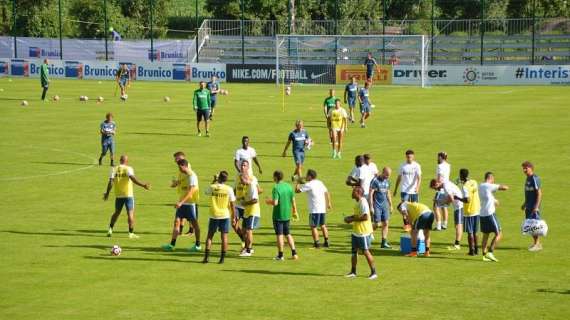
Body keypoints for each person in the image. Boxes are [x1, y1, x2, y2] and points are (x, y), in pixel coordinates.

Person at [103, 155, 151, 238]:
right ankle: (131, 233)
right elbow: (133, 178)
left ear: (120, 160)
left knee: (116, 213)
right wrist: (143, 185)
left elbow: (111, 182)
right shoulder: (128, 168)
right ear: (126, 161)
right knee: (130, 214)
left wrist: (107, 193)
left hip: (118, 195)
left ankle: (110, 229)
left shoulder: (114, 168)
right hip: (128, 195)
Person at [161, 159, 201, 252]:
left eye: (179, 167)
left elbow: (190, 192)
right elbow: (179, 183)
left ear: (184, 166)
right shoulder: (182, 174)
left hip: (190, 204)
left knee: (195, 224)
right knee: (176, 222)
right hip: (182, 203)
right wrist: (174, 184)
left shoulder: (192, 176)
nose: (179, 169)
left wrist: (181, 203)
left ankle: (198, 245)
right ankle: (172, 244)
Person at [344, 186, 377, 280]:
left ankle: (374, 272)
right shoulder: (358, 202)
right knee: (354, 252)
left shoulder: (363, 202)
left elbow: (365, 217)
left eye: (353, 191)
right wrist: (349, 218)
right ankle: (353, 272)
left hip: (363, 232)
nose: (352, 192)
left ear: (358, 193)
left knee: (366, 251)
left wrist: (352, 219)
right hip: (356, 231)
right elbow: (357, 215)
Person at [203, 171, 236, 264]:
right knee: (224, 237)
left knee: (210, 236)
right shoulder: (229, 189)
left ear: (219, 178)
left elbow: (206, 192)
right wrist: (234, 217)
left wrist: (214, 180)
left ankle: (206, 258)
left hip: (214, 215)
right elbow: (232, 204)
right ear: (226, 179)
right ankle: (222, 259)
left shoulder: (212, 187)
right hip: (225, 215)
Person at [265, 170, 299, 261]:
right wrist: (295, 211)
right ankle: (294, 253)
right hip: (287, 214)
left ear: (276, 177)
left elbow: (275, 202)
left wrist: (268, 201)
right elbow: (293, 200)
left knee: (279, 235)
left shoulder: (276, 188)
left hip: (278, 215)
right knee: (288, 234)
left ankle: (280, 255)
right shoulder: (288, 186)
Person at [295, 169, 331, 249]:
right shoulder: (320, 182)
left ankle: (316, 244)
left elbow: (297, 191)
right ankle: (326, 242)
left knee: (313, 226)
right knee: (323, 225)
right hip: (322, 208)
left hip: (314, 209)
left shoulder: (309, 184)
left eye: (307, 175)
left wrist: (297, 182)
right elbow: (326, 192)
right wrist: (329, 203)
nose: (306, 176)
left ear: (310, 176)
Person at [429, 178, 466, 251]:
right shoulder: (445, 184)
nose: (436, 190)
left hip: (459, 206)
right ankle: (457, 243)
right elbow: (449, 198)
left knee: (459, 225)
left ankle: (457, 244)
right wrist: (442, 201)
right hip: (457, 206)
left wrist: (441, 202)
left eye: (435, 188)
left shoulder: (445, 186)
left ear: (437, 184)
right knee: (457, 225)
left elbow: (451, 199)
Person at [479, 172, 509, 261]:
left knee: (485, 235)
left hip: (482, 214)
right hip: (490, 214)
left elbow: (488, 195)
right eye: (493, 180)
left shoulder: (480, 186)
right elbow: (504, 187)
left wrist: (494, 200)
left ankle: (484, 255)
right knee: (499, 233)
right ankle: (490, 252)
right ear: (490, 178)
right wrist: (506, 187)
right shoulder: (488, 185)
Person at [393, 150, 422, 231]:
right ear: (406, 157)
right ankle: (406, 224)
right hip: (404, 190)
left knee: (415, 207)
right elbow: (399, 178)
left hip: (414, 191)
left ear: (413, 157)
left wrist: (417, 187)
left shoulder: (417, 166)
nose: (409, 158)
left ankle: (414, 223)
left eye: (411, 157)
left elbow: (419, 178)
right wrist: (395, 189)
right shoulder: (402, 166)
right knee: (404, 207)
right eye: (408, 157)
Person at [237, 160, 261, 257]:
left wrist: (245, 202)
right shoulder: (246, 186)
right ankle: (246, 248)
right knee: (244, 230)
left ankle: (249, 250)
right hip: (247, 211)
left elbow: (255, 200)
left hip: (253, 211)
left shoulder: (251, 186)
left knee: (248, 230)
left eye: (242, 180)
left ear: (246, 178)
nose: (241, 182)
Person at [171, 151, 195, 236]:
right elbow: (181, 179)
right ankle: (182, 231)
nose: (175, 161)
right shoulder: (181, 167)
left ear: (181, 157)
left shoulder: (186, 168)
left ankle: (192, 232)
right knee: (185, 216)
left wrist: (177, 183)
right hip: (182, 193)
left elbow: (190, 183)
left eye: (176, 158)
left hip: (188, 196)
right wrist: (176, 183)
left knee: (191, 217)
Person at [458, 168, 481, 256]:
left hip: (469, 211)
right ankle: (477, 250)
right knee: (475, 232)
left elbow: (467, 200)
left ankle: (471, 251)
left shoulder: (464, 187)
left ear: (462, 176)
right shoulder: (474, 182)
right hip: (477, 209)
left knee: (470, 232)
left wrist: (458, 198)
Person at [369, 167, 393, 248]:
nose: (387, 177)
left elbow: (388, 193)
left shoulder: (387, 181)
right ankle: (368, 231)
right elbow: (370, 194)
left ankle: (384, 242)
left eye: (389, 175)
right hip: (377, 205)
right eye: (386, 175)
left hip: (385, 205)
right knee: (377, 224)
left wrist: (391, 205)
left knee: (386, 223)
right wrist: (371, 206)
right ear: (383, 172)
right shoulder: (375, 181)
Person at [521, 161, 543, 252]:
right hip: (528, 207)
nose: (524, 170)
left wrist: (536, 206)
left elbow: (539, 193)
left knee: (534, 225)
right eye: (523, 168)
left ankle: (538, 244)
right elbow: (529, 193)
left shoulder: (534, 178)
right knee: (531, 226)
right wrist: (524, 204)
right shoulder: (528, 179)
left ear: (531, 168)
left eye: (526, 168)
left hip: (533, 208)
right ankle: (536, 243)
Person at [434, 151, 451, 230]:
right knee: (444, 207)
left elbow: (440, 177)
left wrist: (437, 185)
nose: (437, 158)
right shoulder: (448, 165)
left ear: (440, 157)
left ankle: (438, 226)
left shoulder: (440, 166)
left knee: (436, 207)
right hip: (447, 188)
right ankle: (445, 224)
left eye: (438, 156)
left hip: (440, 188)